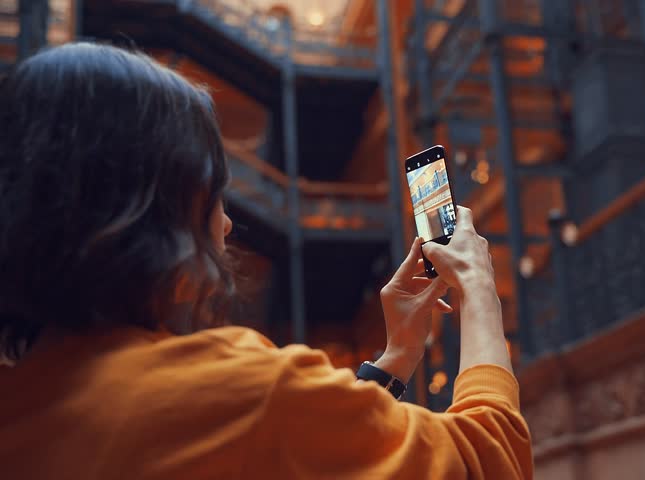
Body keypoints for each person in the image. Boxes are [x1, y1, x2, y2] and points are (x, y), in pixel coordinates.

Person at [0, 43, 533, 479]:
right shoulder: (238, 395)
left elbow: (281, 447)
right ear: (152, 204)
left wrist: (396, 355)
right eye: (212, 191)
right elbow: (490, 460)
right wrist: (478, 289)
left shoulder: (21, 404)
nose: (226, 223)